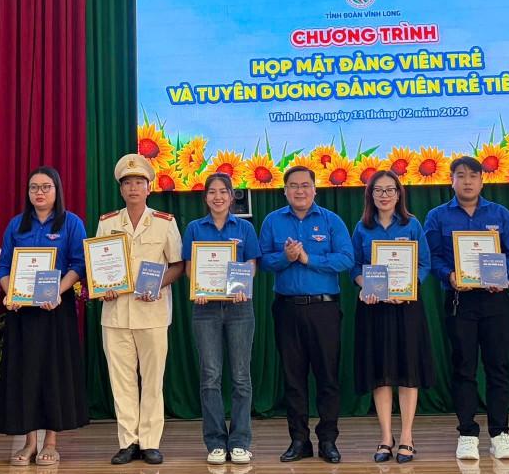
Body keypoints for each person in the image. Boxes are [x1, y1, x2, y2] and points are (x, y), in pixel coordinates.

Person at [423, 156, 509, 461]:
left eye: (473, 176)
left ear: (482, 180)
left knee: (497, 367)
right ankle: (467, 433)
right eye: (461, 175)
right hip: (459, 300)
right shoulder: (438, 216)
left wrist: (503, 277)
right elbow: (431, 256)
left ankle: (500, 434)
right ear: (451, 180)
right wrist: (449, 275)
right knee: (463, 367)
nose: (467, 181)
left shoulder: (500, 213)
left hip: (495, 300)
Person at [0, 166, 89, 466]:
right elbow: (4, 266)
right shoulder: (16, 224)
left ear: (56, 190)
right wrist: (10, 293)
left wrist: (56, 292)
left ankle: (50, 441)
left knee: (53, 374)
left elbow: (79, 265)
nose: (39, 192)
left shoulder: (71, 223)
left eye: (46, 187)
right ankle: (29, 442)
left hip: (55, 310)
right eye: (34, 187)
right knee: (25, 374)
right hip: (22, 313)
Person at [259, 165, 353, 464]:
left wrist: (307, 258)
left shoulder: (331, 220)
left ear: (315, 189)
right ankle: (299, 440)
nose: (299, 190)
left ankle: (328, 440)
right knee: (293, 378)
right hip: (287, 309)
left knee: (327, 377)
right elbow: (263, 262)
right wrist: (285, 258)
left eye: (305, 185)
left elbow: (346, 259)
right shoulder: (273, 221)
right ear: (284, 190)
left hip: (324, 309)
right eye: (293, 186)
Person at [97, 155, 185, 466]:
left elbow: (177, 265)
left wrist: (158, 283)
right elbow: (99, 265)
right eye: (127, 183)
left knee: (152, 380)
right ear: (121, 189)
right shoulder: (107, 222)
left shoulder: (165, 222)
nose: (133, 188)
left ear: (149, 188)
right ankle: (128, 442)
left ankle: (150, 442)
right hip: (115, 313)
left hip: (153, 312)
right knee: (121, 381)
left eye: (139, 182)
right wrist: (102, 286)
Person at [352, 170, 433, 464]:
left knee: (408, 370)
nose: (384, 195)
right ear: (370, 195)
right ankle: (386, 437)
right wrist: (365, 285)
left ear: (399, 194)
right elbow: (354, 267)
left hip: (406, 307)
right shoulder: (362, 228)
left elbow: (424, 264)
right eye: (378, 190)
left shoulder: (412, 224)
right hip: (374, 308)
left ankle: (407, 437)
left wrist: (409, 287)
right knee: (381, 371)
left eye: (390, 190)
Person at [183, 172, 259, 465]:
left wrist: (242, 286)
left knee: (241, 376)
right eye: (212, 192)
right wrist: (198, 287)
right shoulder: (194, 228)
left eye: (223, 192)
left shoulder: (245, 228)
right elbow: (189, 267)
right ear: (206, 197)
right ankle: (215, 442)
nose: (218, 197)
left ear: (231, 196)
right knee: (210, 376)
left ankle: (240, 441)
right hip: (205, 309)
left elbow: (251, 264)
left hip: (240, 308)